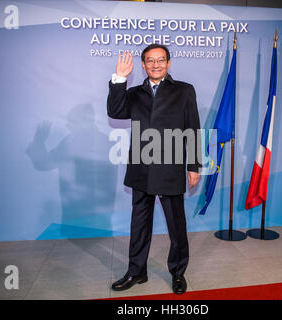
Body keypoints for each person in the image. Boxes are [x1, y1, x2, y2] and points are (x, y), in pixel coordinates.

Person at [107, 44, 201, 294]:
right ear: (143, 64)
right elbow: (115, 111)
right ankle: (136, 272)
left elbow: (192, 128)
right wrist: (120, 79)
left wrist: (193, 165)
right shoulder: (135, 92)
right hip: (141, 167)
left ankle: (178, 273)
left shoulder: (184, 90)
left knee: (176, 226)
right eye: (150, 60)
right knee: (139, 224)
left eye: (161, 60)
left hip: (170, 166)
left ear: (169, 63)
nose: (156, 64)